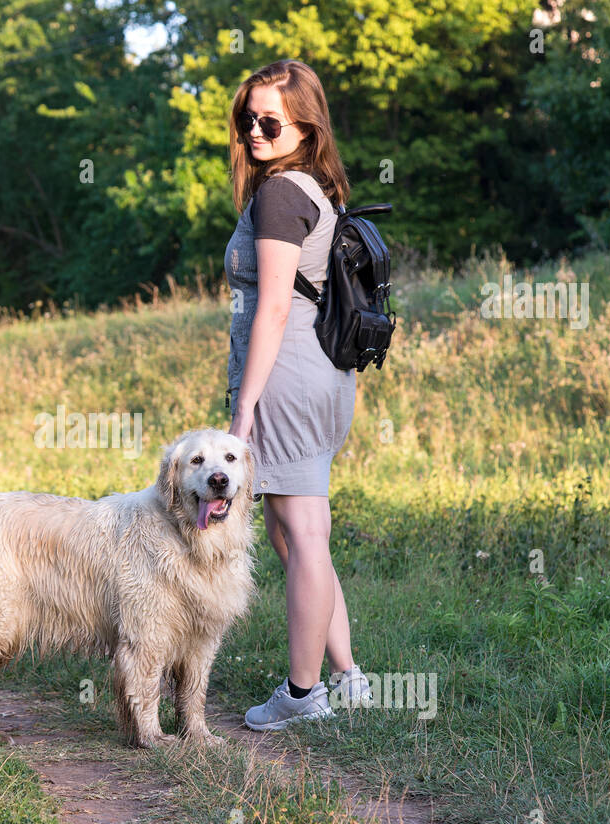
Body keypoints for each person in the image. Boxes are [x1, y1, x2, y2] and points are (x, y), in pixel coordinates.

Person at [224, 59, 372, 729]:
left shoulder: (281, 194)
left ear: (304, 126)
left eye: (270, 121)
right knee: (296, 535)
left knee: (305, 533)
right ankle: (347, 677)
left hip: (285, 373)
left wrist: (244, 405)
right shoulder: (319, 188)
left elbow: (275, 307)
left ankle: (302, 693)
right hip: (325, 371)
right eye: (247, 119)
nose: (255, 130)